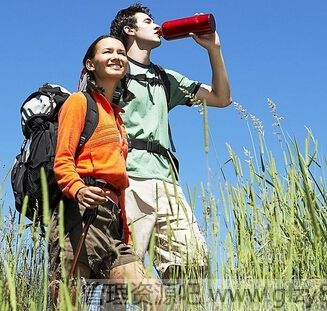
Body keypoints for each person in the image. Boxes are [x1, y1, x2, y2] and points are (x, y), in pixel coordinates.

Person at [109, 4, 232, 282]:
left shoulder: (165, 78)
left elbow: (222, 98)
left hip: (167, 183)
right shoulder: (113, 70)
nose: (157, 25)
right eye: (147, 21)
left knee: (192, 265)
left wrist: (214, 49)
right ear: (130, 30)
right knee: (123, 272)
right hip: (127, 179)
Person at [49, 35, 164, 309]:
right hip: (80, 216)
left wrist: (124, 230)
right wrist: (77, 190)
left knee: (157, 299)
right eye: (107, 52)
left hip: (112, 224)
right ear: (90, 64)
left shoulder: (117, 117)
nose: (116, 56)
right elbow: (63, 159)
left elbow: (118, 182)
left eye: (121, 52)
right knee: (67, 303)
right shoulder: (79, 102)